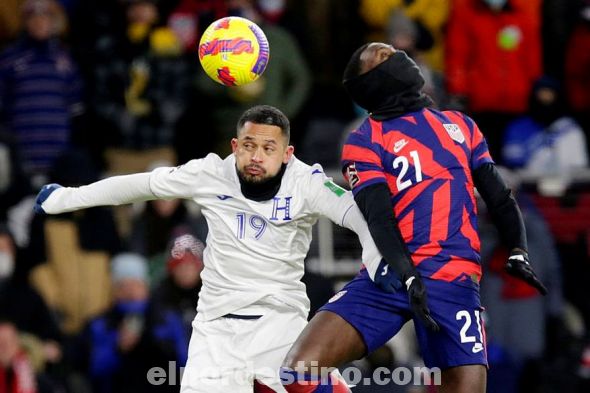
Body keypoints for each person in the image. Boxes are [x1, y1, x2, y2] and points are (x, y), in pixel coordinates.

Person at [33, 105, 434, 392]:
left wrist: (375, 256)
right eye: (248, 145)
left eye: (268, 148)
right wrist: (67, 198)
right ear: (234, 144)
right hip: (216, 331)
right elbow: (140, 185)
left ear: (288, 152)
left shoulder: (307, 182)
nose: (256, 156)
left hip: (282, 325)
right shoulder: (211, 172)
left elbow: (353, 211)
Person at [281, 43, 547, 393]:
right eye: (382, 57)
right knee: (298, 371)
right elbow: (379, 218)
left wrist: (518, 249)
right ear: (371, 82)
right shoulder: (365, 139)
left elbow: (499, 196)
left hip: (453, 280)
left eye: (392, 52)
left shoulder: (460, 125)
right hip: (389, 277)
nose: (396, 55)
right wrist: (406, 275)